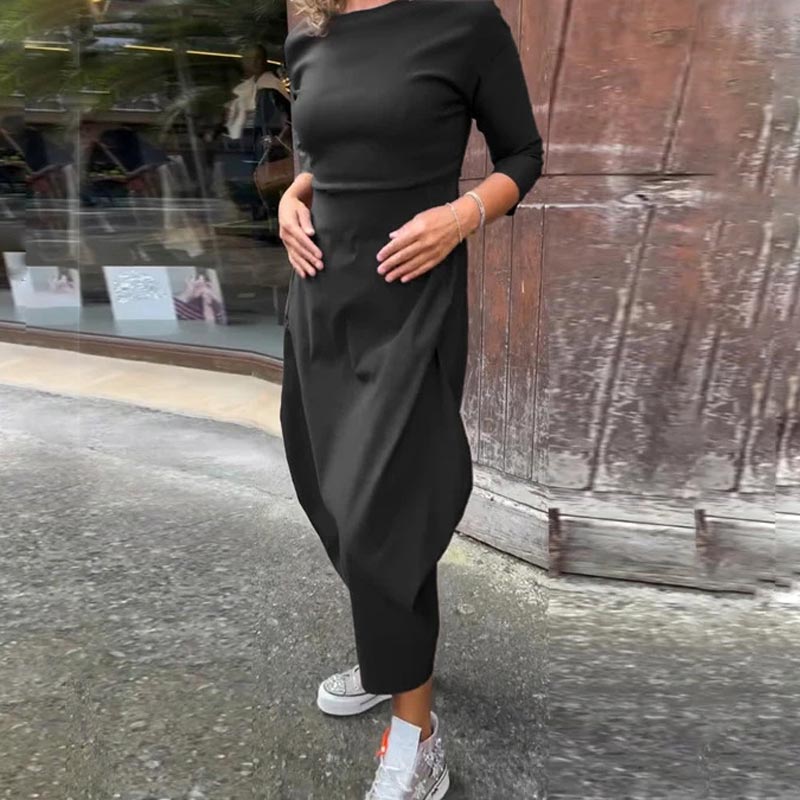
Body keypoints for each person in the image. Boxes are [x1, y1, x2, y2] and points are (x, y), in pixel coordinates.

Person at [278, 1, 543, 798]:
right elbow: (324, 154)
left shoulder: (464, 21)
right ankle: (388, 653)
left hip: (408, 301)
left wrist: (462, 216)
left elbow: (523, 155)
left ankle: (416, 735)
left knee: (384, 509)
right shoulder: (311, 29)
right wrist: (292, 198)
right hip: (322, 301)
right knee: (330, 497)